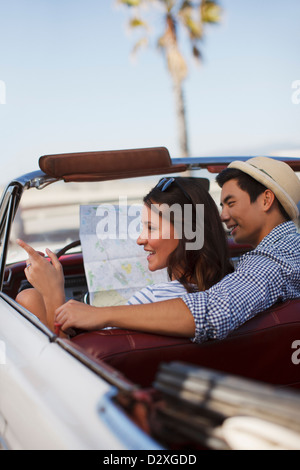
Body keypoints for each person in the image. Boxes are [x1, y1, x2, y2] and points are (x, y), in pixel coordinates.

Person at [48, 156, 300, 342]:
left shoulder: (273, 261)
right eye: (221, 205)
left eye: (231, 203)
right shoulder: (283, 251)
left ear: (266, 200)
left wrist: (100, 314)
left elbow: (214, 312)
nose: (223, 216)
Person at [16, 176, 233, 332]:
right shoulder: (233, 284)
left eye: (151, 228)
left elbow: (73, 361)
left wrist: (53, 292)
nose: (140, 239)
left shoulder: (151, 300)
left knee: (29, 298)